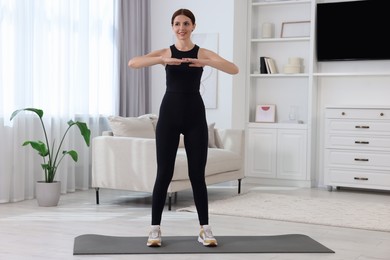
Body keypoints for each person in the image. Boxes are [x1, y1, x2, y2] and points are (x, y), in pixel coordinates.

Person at [128, 8, 239, 247]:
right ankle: (155, 230)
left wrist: (204, 62)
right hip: (169, 116)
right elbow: (133, 63)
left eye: (186, 23)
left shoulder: (202, 52)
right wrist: (162, 60)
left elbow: (233, 68)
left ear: (193, 26)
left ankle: (205, 230)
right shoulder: (166, 52)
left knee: (197, 175)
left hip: (195, 117)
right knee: (163, 174)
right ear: (173, 27)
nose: (181, 27)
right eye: (177, 23)